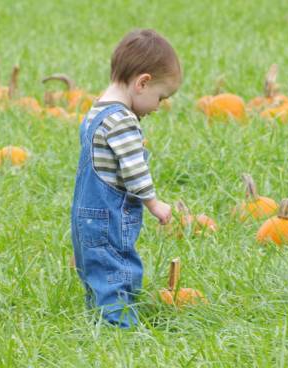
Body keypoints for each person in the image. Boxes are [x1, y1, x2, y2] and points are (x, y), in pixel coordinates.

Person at [71, 29, 180, 328]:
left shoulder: (97, 110)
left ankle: (97, 317)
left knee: (97, 269)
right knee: (118, 270)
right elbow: (134, 169)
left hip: (86, 214)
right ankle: (120, 328)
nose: (158, 107)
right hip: (109, 216)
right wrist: (154, 203)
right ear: (142, 83)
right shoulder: (122, 121)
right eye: (160, 97)